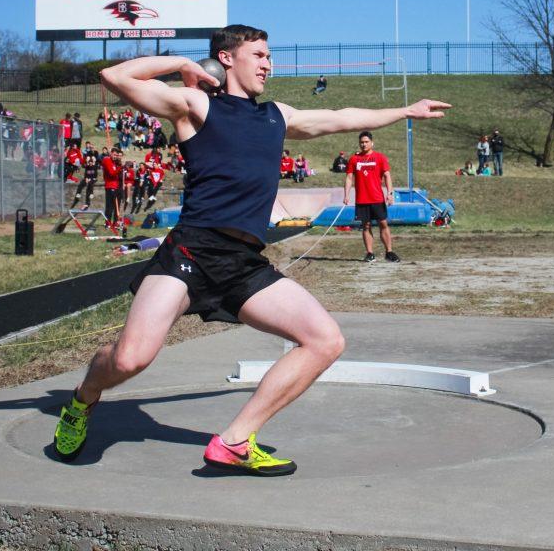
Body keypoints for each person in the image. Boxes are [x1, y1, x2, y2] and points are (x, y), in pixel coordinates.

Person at [52, 24, 449, 476]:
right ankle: (82, 401)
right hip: (192, 251)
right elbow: (115, 76)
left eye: (269, 55)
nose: (268, 63)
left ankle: (236, 441)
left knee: (325, 340)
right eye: (259, 54)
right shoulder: (196, 105)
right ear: (227, 58)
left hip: (243, 263)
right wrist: (181, 64)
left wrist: (404, 110)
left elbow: (341, 116)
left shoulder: (276, 115)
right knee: (129, 359)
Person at [345, 131, 400, 263]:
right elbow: (348, 178)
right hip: (362, 199)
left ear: (372, 143)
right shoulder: (354, 159)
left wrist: (390, 193)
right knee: (366, 226)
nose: (363, 144)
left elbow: (387, 176)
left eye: (366, 142)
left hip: (377, 198)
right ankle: (370, 253)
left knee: (383, 223)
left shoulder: (380, 157)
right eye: (361, 142)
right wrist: (346, 195)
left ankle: (389, 252)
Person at [101, 147, 124, 233]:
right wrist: (120, 168)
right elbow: (111, 173)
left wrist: (122, 166)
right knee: (110, 206)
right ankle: (107, 223)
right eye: (114, 155)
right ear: (111, 154)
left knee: (116, 206)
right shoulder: (107, 160)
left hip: (117, 186)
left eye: (116, 155)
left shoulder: (116, 163)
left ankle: (115, 223)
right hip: (110, 186)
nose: (115, 156)